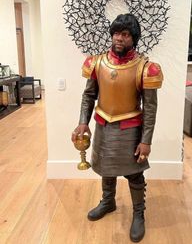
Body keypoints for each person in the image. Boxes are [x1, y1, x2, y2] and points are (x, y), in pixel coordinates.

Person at [71, 13, 163, 242]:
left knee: (134, 173)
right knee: (105, 167)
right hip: (103, 124)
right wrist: (83, 121)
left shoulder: (145, 67)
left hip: (131, 128)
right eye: (116, 33)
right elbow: (89, 95)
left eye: (125, 34)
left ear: (134, 38)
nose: (119, 38)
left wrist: (146, 141)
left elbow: (150, 108)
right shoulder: (97, 63)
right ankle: (108, 201)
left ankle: (139, 213)